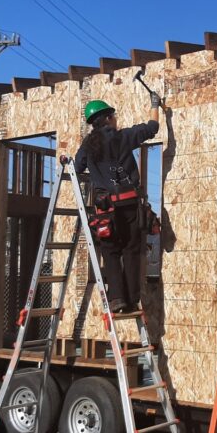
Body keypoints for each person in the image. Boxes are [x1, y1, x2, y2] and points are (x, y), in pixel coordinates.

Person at [75, 92, 162, 313]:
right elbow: (152, 127)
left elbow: (76, 168)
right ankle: (132, 300)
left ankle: (116, 299)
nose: (116, 119)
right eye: (114, 116)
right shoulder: (124, 137)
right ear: (108, 118)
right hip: (131, 206)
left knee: (111, 251)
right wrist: (155, 104)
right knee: (132, 251)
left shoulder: (88, 145)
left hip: (106, 209)